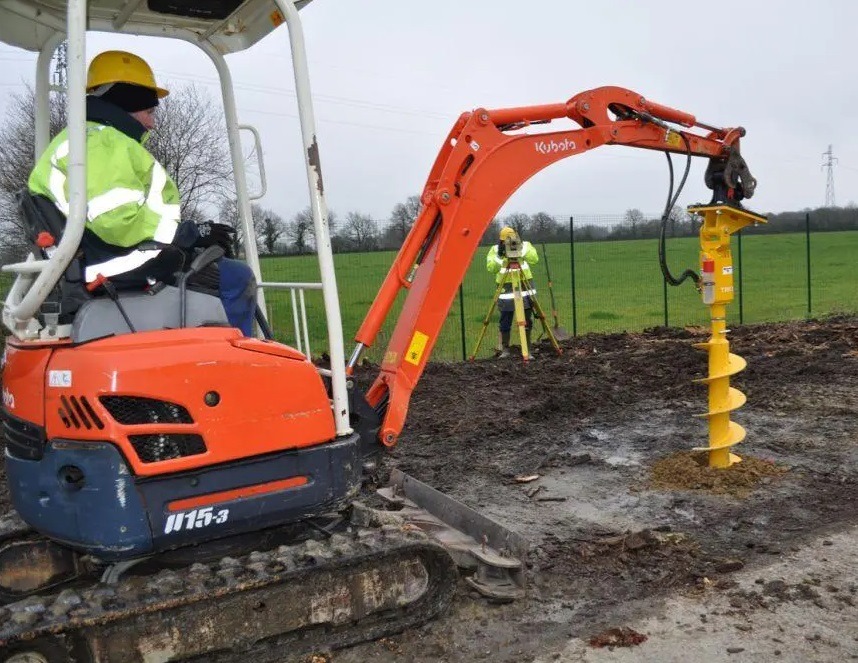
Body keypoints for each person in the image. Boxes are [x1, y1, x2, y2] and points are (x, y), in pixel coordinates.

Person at [28, 50, 256, 335]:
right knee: (236, 277)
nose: (152, 123)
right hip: (117, 265)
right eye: (149, 112)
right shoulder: (104, 144)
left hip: (98, 259)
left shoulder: (81, 140)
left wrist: (190, 236)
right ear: (124, 102)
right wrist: (187, 235)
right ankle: (234, 362)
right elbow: (116, 220)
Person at [486, 226, 539, 357]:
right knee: (505, 318)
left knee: (527, 319)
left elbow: (534, 259)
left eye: (512, 240)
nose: (510, 244)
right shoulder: (494, 250)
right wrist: (501, 256)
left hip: (524, 285)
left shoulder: (525, 245)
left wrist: (521, 249)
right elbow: (491, 268)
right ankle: (505, 349)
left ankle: (527, 348)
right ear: (501, 242)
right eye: (507, 242)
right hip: (506, 288)